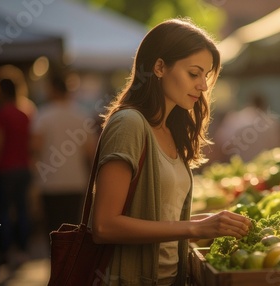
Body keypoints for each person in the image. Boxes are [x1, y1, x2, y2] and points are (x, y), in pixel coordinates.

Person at [91, 18, 251, 285]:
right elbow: (104, 226)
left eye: (206, 76)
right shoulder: (129, 123)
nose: (202, 86)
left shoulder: (170, 131)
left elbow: (161, 220)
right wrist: (194, 227)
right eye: (194, 73)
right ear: (160, 67)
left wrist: (211, 223)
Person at [31, 75, 97, 234]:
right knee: (72, 231)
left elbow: (35, 147)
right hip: (76, 182)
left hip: (49, 182)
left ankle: (53, 259)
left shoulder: (43, 115)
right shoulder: (81, 115)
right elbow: (91, 151)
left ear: (52, 90)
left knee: (52, 230)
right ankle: (70, 259)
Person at [0, 78, 32, 263]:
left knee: (1, 210)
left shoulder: (1, 114)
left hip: (5, 168)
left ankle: (3, 251)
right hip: (23, 167)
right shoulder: (24, 114)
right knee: (22, 209)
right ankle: (23, 248)